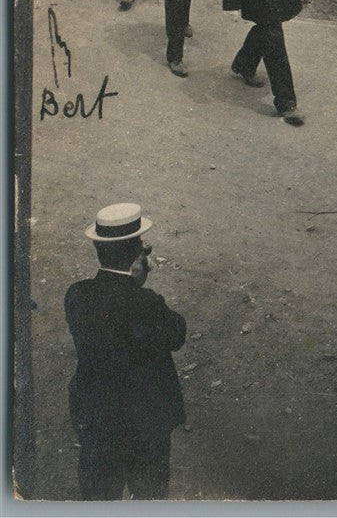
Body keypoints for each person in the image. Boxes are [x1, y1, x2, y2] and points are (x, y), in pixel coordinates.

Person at [65, 201, 187, 499]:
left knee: (98, 497)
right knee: (149, 497)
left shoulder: (78, 296)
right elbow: (177, 332)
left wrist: (129, 278)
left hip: (98, 419)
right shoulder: (146, 304)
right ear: (135, 257)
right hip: (145, 422)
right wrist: (138, 284)